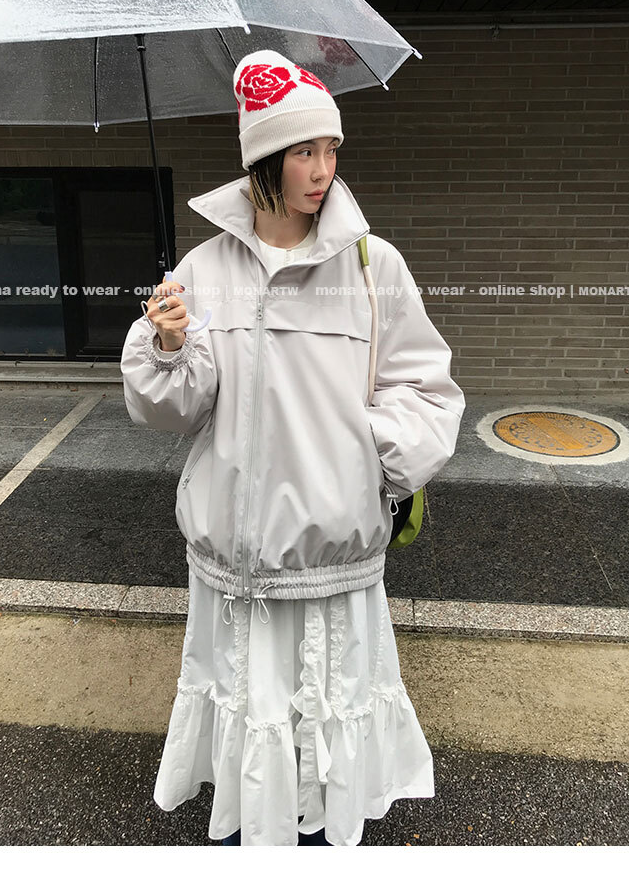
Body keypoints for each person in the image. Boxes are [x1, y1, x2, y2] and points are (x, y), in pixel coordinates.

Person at [120, 49, 466, 846]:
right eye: (304, 151)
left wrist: (368, 454)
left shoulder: (373, 267)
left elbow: (427, 388)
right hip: (234, 561)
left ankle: (324, 819)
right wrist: (168, 346)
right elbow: (177, 410)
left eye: (331, 148)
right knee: (255, 705)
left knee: (326, 701)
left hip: (331, 552)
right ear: (263, 159)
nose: (323, 170)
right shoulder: (204, 269)